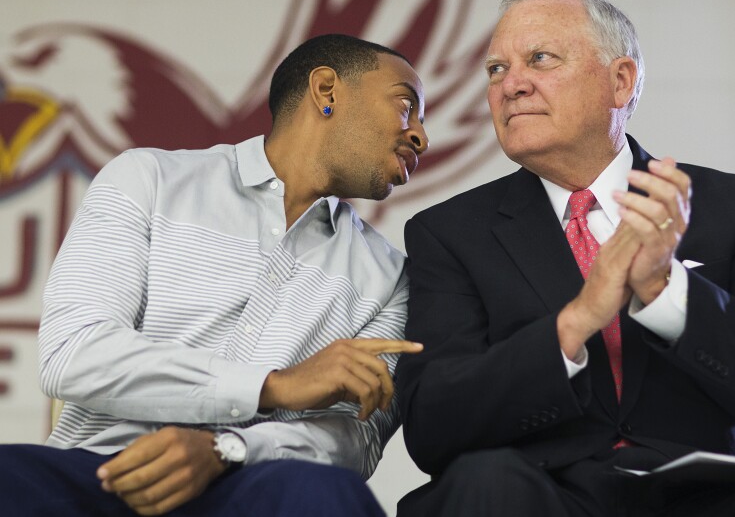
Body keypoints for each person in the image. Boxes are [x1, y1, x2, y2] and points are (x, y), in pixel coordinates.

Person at [395, 0, 735, 517]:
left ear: (620, 81)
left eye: (539, 59)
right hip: (542, 494)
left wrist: (665, 290)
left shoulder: (730, 206)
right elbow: (432, 425)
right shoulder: (449, 232)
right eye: (496, 70)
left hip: (700, 496)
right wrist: (574, 323)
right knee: (485, 484)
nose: (512, 86)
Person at [0, 33, 428, 516]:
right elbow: (73, 352)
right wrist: (271, 386)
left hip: (248, 486)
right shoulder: (148, 179)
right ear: (326, 90)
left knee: (324, 495)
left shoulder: (391, 278)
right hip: (95, 474)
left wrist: (226, 450)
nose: (421, 136)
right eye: (405, 106)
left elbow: (356, 439)